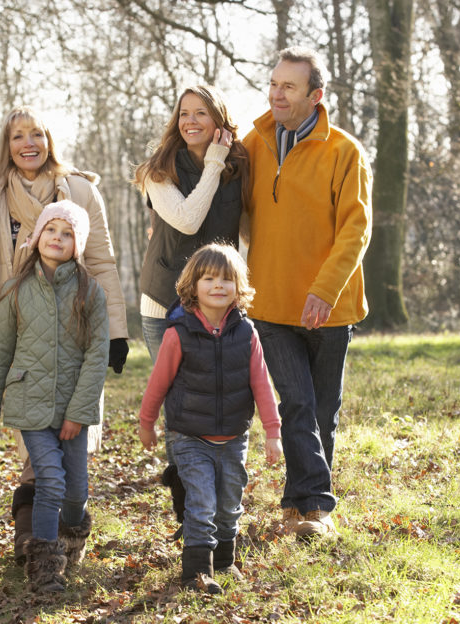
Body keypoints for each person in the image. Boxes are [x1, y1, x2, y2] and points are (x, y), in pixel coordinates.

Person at [0, 106, 128, 561]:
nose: (28, 143)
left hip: (78, 328)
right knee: (36, 443)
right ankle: (37, 541)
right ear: (7, 144)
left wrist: (116, 331)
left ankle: (53, 533)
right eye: (18, 136)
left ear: (49, 140)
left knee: (68, 443)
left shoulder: (80, 190)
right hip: (22, 329)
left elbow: (101, 260)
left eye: (37, 134)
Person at [242, 47, 372, 539]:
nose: (277, 93)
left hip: (330, 307)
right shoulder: (251, 145)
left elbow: (355, 230)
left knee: (321, 411)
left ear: (315, 96)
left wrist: (324, 290)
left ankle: (297, 505)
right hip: (270, 302)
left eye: (288, 86)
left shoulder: (344, 151)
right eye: (274, 84)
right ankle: (317, 508)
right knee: (296, 404)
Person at [132, 85, 249, 535]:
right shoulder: (158, 170)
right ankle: (190, 517)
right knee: (183, 408)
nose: (192, 121)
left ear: (218, 118)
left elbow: (245, 230)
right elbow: (187, 220)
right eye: (184, 114)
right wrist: (215, 166)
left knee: (216, 402)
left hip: (219, 306)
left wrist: (247, 288)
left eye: (202, 113)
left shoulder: (237, 166)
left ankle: (218, 509)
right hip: (165, 304)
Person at [0, 200, 109, 594]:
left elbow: (96, 357)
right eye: (51, 230)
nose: (58, 238)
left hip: (73, 407)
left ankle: (72, 538)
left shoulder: (90, 292)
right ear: (36, 239)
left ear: (77, 244)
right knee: (49, 481)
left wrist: (78, 412)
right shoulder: (15, 290)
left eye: (67, 233)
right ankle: (46, 565)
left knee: (77, 492)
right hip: (29, 404)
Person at [138, 244, 281, 594]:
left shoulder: (247, 333)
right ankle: (196, 574)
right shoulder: (178, 333)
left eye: (226, 279)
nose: (218, 285)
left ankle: (225, 562)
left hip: (233, 438)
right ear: (193, 285)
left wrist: (273, 432)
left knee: (229, 506)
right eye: (209, 278)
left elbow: (262, 384)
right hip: (189, 438)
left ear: (238, 286)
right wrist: (147, 421)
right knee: (201, 504)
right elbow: (159, 382)